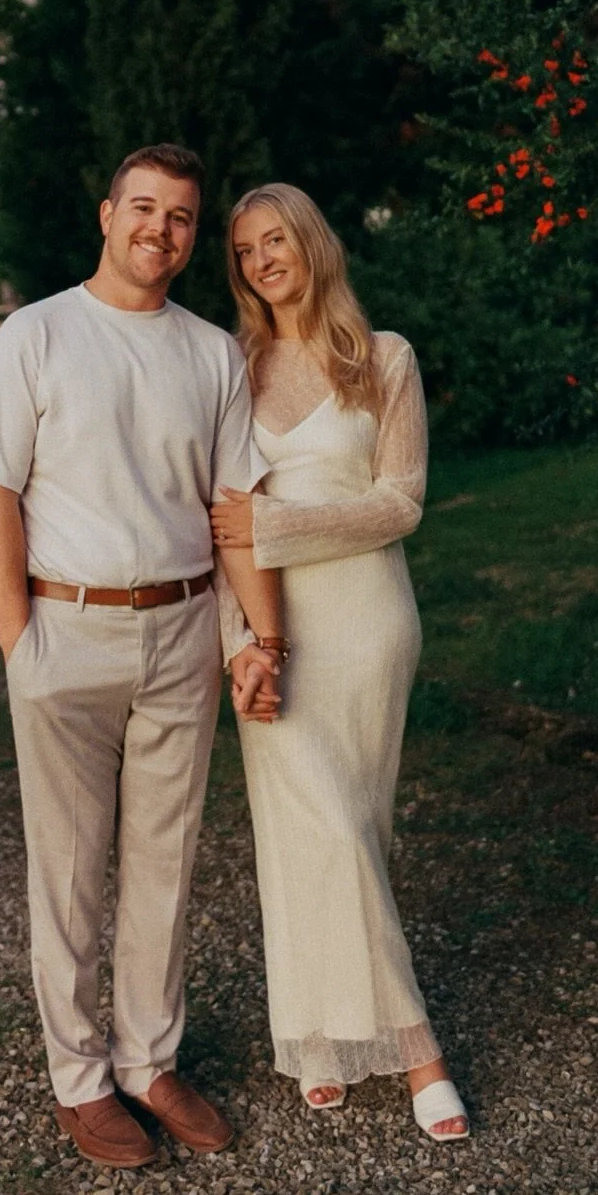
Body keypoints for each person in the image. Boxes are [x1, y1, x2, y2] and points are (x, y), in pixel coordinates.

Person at [0, 144, 286, 1170]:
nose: (160, 230)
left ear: (192, 237)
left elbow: (237, 513)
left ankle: (149, 1060)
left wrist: (255, 637)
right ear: (107, 215)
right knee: (69, 871)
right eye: (144, 208)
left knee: (165, 863)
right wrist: (21, 646)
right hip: (66, 630)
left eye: (181, 218)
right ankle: (80, 1079)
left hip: (183, 627)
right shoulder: (36, 335)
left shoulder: (211, 355)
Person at [209, 182, 469, 1142]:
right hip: (271, 628)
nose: (263, 259)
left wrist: (272, 523)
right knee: (311, 826)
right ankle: (418, 1052)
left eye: (277, 239)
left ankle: (322, 1037)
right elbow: (217, 525)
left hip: (368, 620)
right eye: (244, 251)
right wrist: (242, 641)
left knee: (356, 826)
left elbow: (399, 503)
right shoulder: (231, 367)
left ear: (313, 243)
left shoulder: (383, 359)